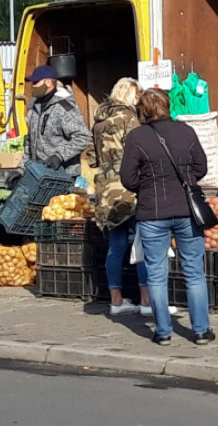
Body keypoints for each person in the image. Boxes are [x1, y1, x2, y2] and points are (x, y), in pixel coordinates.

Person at [120, 88, 215, 346]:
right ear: (167, 105)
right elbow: (201, 166)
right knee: (194, 271)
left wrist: (147, 184)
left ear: (143, 109)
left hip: (152, 212)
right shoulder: (186, 131)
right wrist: (186, 179)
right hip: (186, 209)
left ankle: (163, 331)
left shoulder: (136, 137)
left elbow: (127, 178)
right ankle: (201, 330)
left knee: (156, 273)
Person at [88, 78, 151, 316]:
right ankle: (146, 301)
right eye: (137, 97)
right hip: (129, 186)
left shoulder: (98, 121)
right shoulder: (130, 118)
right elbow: (139, 153)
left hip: (105, 189)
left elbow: (92, 158)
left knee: (116, 246)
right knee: (141, 243)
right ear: (130, 96)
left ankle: (116, 301)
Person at [6, 65, 90, 187]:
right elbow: (30, 144)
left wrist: (60, 156)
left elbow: (83, 137)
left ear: (49, 82)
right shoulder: (34, 109)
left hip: (62, 177)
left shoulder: (64, 108)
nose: (32, 86)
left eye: (36, 82)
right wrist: (20, 170)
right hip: (39, 176)